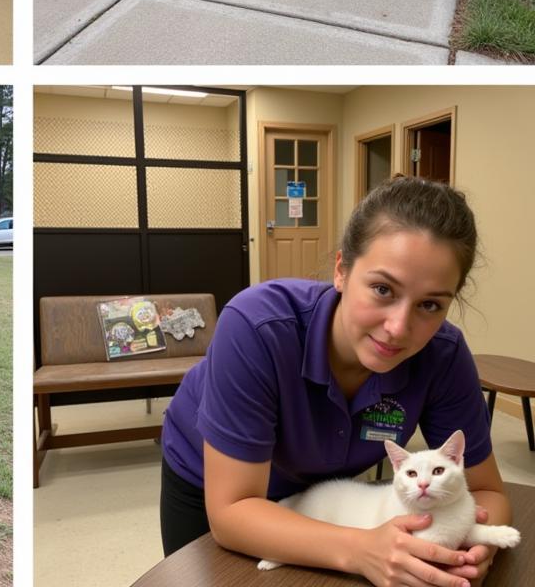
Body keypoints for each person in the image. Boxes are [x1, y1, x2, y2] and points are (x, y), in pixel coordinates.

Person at [160, 176, 513, 587]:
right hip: (218, 486)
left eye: (430, 304)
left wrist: (474, 550)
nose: (398, 328)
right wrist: (362, 549)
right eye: (382, 289)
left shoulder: (444, 355)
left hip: (326, 496)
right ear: (342, 270)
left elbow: (489, 493)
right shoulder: (257, 326)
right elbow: (233, 512)